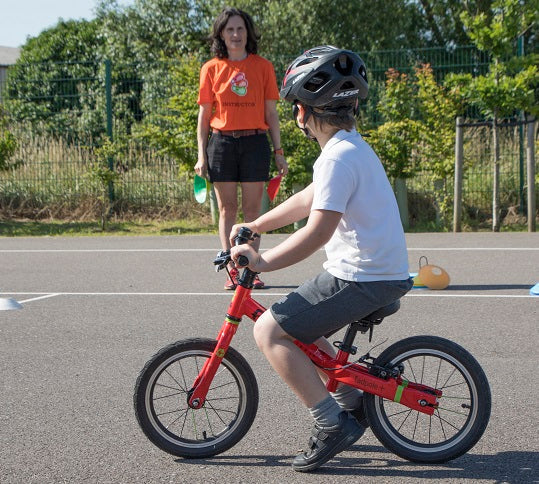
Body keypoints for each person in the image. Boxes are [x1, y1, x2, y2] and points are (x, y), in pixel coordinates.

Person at [229, 46, 413, 472]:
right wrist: (257, 225)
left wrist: (261, 262)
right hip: (373, 273)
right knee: (298, 322)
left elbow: (317, 231)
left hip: (362, 278)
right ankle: (353, 401)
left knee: (272, 332)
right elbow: (306, 200)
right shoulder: (349, 149)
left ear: (301, 113)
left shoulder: (338, 158)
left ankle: (330, 422)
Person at [195, 6, 288, 290]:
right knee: (227, 209)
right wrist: (201, 155)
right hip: (221, 143)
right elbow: (204, 116)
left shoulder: (263, 67)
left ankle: (251, 270)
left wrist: (279, 152)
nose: (235, 34)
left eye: (240, 29)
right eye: (230, 29)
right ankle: (232, 270)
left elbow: (271, 113)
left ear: (248, 33)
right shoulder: (211, 68)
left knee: (253, 213)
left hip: (254, 143)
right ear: (221, 35)